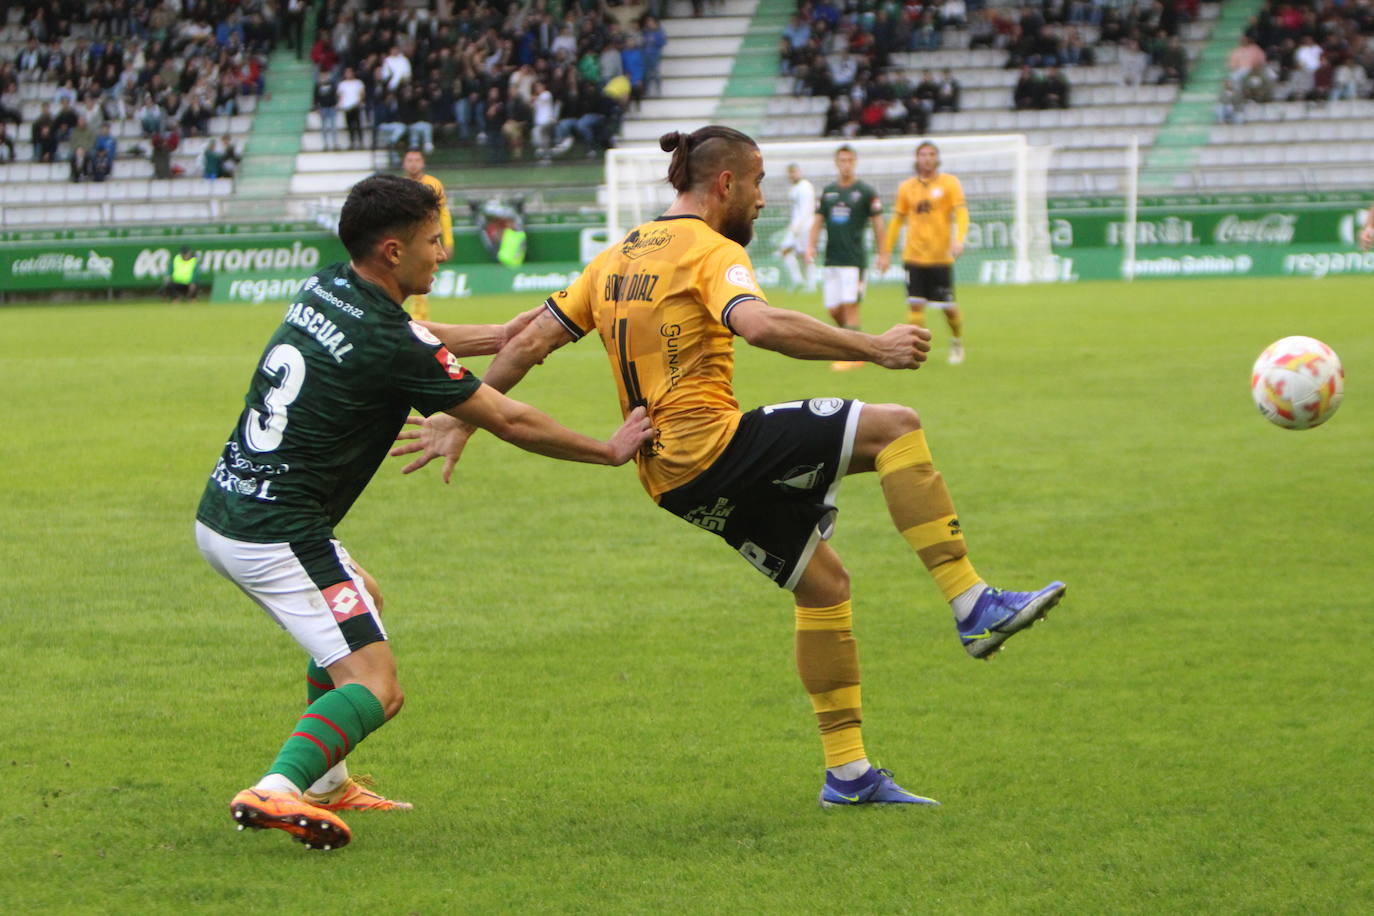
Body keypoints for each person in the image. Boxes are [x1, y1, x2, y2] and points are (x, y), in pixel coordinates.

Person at [399, 126, 1066, 810]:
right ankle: (972, 602)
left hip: (670, 480)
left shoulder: (616, 256)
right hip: (712, 445)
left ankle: (849, 774)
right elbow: (760, 325)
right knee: (897, 427)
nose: (763, 200)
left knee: (826, 584)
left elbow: (530, 341)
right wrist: (873, 344)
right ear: (725, 185)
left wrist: (462, 415)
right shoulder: (710, 250)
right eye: (758, 183)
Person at [197, 174, 653, 851]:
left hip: (231, 506)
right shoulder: (389, 341)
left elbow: (415, 332)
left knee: (365, 599)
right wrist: (606, 450)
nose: (443, 254)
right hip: (276, 532)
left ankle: (327, 781)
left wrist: (497, 332)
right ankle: (277, 789)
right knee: (379, 689)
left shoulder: (328, 285)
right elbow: (509, 419)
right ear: (391, 251)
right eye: (434, 242)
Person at [883, 142, 969, 364]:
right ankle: (917, 352)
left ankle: (956, 341)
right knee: (915, 305)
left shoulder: (949, 183)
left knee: (948, 309)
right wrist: (885, 251)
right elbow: (896, 220)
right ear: (917, 159)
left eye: (931, 154)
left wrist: (959, 240)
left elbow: (961, 213)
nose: (927, 158)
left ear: (937, 159)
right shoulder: (906, 188)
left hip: (940, 257)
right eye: (923, 155)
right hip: (913, 256)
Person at [805, 145, 887, 371]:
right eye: (841, 160)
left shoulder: (865, 191)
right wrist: (810, 246)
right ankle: (857, 346)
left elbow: (878, 223)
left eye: (849, 160)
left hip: (855, 260)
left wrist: (884, 253)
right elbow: (818, 220)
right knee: (833, 309)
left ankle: (853, 356)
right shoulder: (829, 192)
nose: (845, 164)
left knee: (850, 307)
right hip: (832, 258)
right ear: (836, 163)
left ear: (855, 162)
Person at [400, 148, 452, 321]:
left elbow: (443, 213)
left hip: (426, 237)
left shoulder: (433, 184)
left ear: (423, 163)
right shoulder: (399, 186)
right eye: (410, 160)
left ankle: (419, 315)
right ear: (404, 163)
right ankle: (414, 315)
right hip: (404, 238)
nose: (413, 163)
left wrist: (448, 241)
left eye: (416, 160)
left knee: (421, 272)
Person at [778, 163, 817, 292]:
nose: (792, 175)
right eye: (790, 173)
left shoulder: (805, 187)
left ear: (799, 172)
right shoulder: (795, 188)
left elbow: (807, 209)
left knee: (805, 254)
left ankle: (811, 285)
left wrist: (798, 226)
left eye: (794, 172)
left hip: (805, 226)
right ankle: (798, 280)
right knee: (785, 250)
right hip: (796, 226)